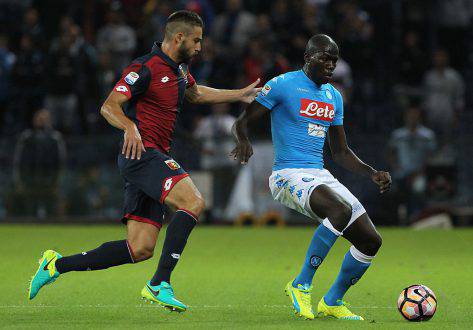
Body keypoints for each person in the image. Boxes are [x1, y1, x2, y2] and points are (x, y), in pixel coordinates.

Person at [28, 10, 260, 312]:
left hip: (153, 157)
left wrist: (239, 94)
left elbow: (195, 94)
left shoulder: (179, 69)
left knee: (140, 249)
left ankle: (55, 266)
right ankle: (159, 283)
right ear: (179, 37)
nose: (200, 47)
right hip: (142, 155)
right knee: (193, 201)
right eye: (197, 40)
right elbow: (109, 106)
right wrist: (130, 126)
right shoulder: (145, 67)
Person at [231, 34, 391, 320]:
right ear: (307, 58)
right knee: (339, 210)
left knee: (370, 240)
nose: (330, 65)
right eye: (324, 59)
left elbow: (340, 152)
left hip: (319, 173)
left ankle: (332, 301)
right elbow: (242, 120)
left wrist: (371, 173)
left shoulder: (333, 97)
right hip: (287, 174)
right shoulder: (282, 84)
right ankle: (301, 284)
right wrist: (243, 139)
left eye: (334, 61)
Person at [388, 106, 436, 222]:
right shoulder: (398, 135)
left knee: (418, 189)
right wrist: (396, 167)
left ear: (420, 118)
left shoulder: (427, 135)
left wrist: (421, 171)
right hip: (401, 173)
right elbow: (390, 154)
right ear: (406, 117)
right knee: (395, 191)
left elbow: (432, 156)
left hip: (420, 174)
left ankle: (419, 217)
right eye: (410, 116)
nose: (412, 118)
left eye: (415, 116)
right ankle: (400, 219)